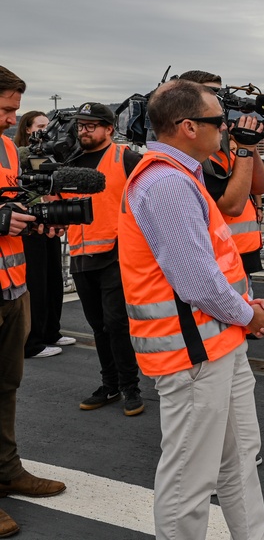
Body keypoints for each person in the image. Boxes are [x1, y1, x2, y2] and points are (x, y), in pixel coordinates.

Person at [119, 79, 264, 540]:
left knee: (239, 459)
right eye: (218, 122)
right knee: (191, 477)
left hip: (214, 343)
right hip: (192, 354)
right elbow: (197, 282)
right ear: (188, 127)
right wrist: (249, 315)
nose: (226, 129)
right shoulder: (166, 182)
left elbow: (211, 270)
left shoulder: (179, 175)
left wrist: (247, 308)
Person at [0, 66, 67, 539]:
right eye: (6, 108)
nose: (13, 117)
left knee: (5, 387)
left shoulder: (6, 146)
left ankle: (6, 469)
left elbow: (10, 199)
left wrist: (33, 216)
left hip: (12, 288)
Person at [65, 103, 145, 416]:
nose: (84, 130)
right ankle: (110, 384)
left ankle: (130, 387)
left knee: (116, 323)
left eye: (91, 125)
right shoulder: (68, 161)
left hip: (115, 254)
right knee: (98, 326)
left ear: (109, 128)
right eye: (80, 125)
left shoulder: (125, 158)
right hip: (80, 255)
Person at [178, 71, 264, 295]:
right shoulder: (196, 153)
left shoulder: (226, 143)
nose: (220, 102)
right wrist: (245, 149)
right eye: (212, 94)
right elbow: (232, 206)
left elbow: (260, 187)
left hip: (241, 252)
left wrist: (249, 144)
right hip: (217, 257)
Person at [14, 110, 72, 359]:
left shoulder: (52, 154)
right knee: (36, 281)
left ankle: (52, 330)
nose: (45, 130)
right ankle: (34, 340)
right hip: (28, 223)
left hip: (49, 221)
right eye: (39, 126)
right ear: (27, 129)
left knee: (53, 278)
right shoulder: (19, 154)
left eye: (47, 126)